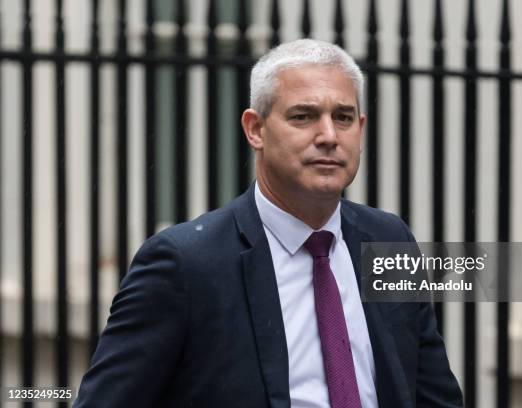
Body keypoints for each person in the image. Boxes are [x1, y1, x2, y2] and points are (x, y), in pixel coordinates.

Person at [74, 39, 462, 408]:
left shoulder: (388, 239)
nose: (328, 136)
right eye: (304, 116)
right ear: (255, 129)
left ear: (360, 130)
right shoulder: (186, 264)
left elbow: (433, 395)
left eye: (342, 118)